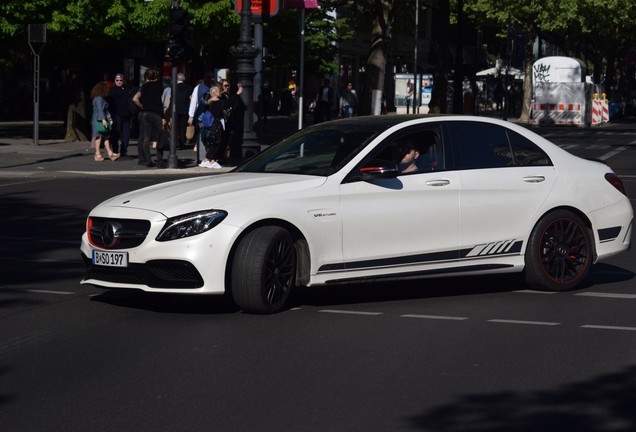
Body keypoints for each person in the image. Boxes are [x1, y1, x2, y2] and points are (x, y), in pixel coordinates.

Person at [133, 68, 164, 167]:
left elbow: (135, 99)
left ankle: (147, 160)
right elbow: (159, 102)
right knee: (159, 136)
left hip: (146, 113)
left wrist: (143, 106)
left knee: (146, 137)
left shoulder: (143, 87)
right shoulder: (158, 86)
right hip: (156, 113)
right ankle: (159, 159)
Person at [188, 71, 215, 164]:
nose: (210, 79)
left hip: (211, 116)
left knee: (210, 137)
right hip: (201, 117)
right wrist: (191, 116)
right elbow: (194, 102)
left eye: (212, 77)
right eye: (208, 77)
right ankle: (201, 158)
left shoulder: (213, 87)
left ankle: (207, 157)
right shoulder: (198, 88)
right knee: (202, 137)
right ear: (204, 78)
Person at [90, 81, 118, 161]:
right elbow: (100, 110)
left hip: (100, 118)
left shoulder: (99, 98)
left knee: (105, 136)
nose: (108, 90)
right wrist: (103, 120)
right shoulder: (99, 99)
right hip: (98, 119)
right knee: (99, 136)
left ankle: (109, 153)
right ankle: (97, 153)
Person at [198, 85, 225, 169]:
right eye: (219, 91)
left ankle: (213, 161)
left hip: (212, 124)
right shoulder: (215, 102)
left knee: (215, 142)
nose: (220, 92)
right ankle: (206, 160)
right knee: (216, 142)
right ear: (214, 93)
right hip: (214, 125)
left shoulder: (213, 101)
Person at [107, 73, 131, 157]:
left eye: (121, 80)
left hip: (126, 115)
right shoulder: (112, 90)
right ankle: (115, 151)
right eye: (117, 80)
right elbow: (109, 102)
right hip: (116, 115)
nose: (119, 82)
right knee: (115, 133)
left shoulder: (127, 89)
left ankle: (123, 151)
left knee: (126, 134)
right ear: (114, 81)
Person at [227, 82, 246, 162]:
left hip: (237, 122)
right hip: (234, 122)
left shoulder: (236, 97)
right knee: (234, 139)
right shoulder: (233, 96)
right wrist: (237, 94)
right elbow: (230, 103)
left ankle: (236, 155)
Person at [173, 72, 192, 150]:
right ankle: (182, 142)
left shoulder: (174, 87)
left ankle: (176, 142)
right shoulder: (188, 87)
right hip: (185, 109)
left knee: (176, 127)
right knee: (183, 127)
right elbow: (190, 99)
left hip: (175, 110)